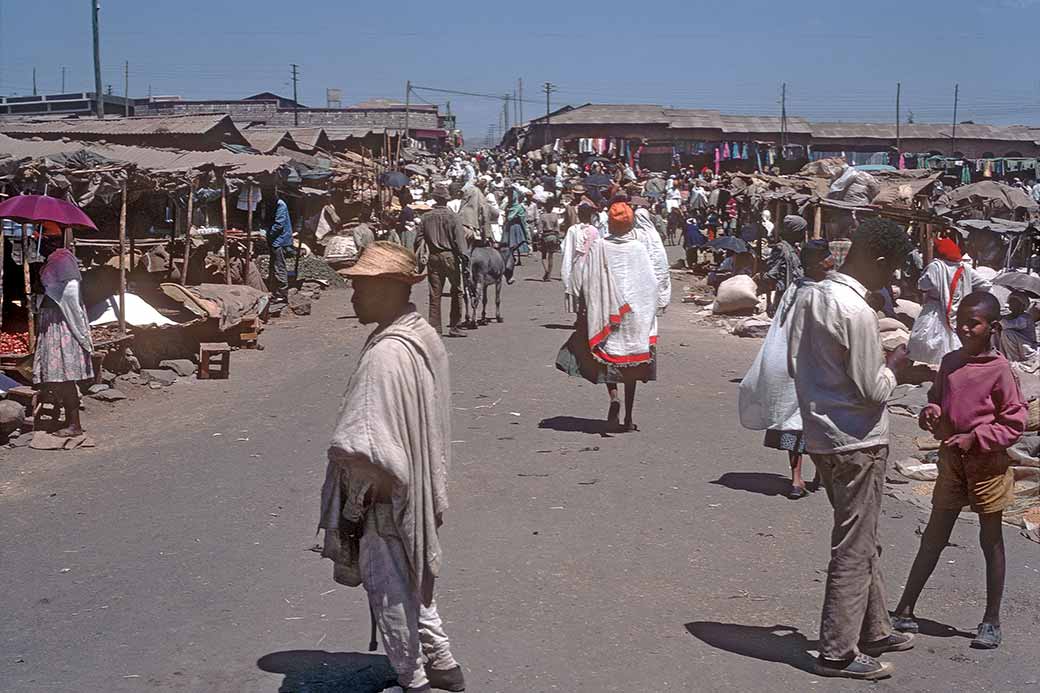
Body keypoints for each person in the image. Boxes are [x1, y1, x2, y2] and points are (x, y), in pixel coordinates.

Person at [321, 242, 465, 693]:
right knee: (413, 574)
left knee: (387, 585)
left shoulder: (387, 353)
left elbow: (363, 440)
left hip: (382, 490)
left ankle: (414, 676)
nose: (353, 298)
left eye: (360, 288)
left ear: (386, 289)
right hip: (418, 478)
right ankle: (443, 663)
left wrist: (359, 496)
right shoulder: (420, 334)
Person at [787, 218, 916, 681]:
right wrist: (896, 366)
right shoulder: (856, 311)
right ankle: (837, 651)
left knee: (861, 537)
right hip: (858, 440)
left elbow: (792, 361)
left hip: (821, 433)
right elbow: (872, 389)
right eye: (894, 268)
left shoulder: (810, 295)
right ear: (879, 262)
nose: (894, 279)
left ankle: (876, 627)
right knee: (853, 545)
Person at [892, 291, 1025, 651]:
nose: (966, 329)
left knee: (991, 540)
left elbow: (1014, 422)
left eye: (974, 323)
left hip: (987, 466)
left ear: (992, 327)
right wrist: (930, 412)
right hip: (952, 463)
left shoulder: (1000, 370)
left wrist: (977, 438)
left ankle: (991, 620)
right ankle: (905, 608)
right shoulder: (949, 362)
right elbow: (936, 398)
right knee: (934, 536)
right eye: (962, 321)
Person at [555, 202, 665, 432]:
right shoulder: (637, 248)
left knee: (609, 359)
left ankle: (613, 396)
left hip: (606, 314)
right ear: (630, 223)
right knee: (632, 367)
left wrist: (588, 304)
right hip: (634, 315)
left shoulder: (599, 246)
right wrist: (651, 307)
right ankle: (629, 417)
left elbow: (585, 278)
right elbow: (650, 283)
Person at [739, 240, 834, 499]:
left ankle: (798, 479)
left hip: (789, 364)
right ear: (818, 263)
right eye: (827, 257)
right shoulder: (822, 292)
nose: (832, 260)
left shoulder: (795, 289)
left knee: (795, 423)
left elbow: (780, 327)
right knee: (817, 423)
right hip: (813, 366)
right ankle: (814, 476)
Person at [33, 222, 93, 437]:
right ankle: (69, 421)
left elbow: (70, 296)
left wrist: (81, 332)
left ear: (50, 240)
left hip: (62, 323)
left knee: (65, 376)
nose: (35, 242)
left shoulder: (62, 259)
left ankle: (74, 424)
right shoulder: (52, 260)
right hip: (52, 320)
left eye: (39, 238)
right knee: (57, 376)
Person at [907, 236, 991, 366]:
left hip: (934, 308)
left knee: (925, 339)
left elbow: (923, 285)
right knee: (953, 340)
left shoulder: (936, 266)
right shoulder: (965, 268)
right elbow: (985, 284)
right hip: (958, 310)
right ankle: (949, 368)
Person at [415, 184, 469, 338]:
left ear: (434, 199)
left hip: (433, 258)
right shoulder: (453, 217)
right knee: (457, 291)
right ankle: (455, 326)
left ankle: (435, 328)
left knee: (434, 294)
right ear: (446, 199)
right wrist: (465, 260)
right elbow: (460, 242)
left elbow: (418, 240)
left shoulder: (425, 218)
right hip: (450, 257)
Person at [561, 203, 600, 313]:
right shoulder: (595, 231)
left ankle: (580, 316)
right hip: (592, 266)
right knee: (590, 292)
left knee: (577, 290)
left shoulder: (573, 230)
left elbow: (566, 249)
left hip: (577, 265)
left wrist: (567, 269)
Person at [764, 215, 807, 316]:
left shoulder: (793, 249)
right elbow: (771, 275)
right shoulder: (781, 249)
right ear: (794, 232)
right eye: (801, 231)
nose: (804, 235)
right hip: (785, 296)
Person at [998, 290, 1038, 369]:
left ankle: (1014, 360)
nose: (1010, 304)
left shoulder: (1025, 318)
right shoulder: (1011, 315)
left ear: (1021, 306)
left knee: (1007, 333)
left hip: (1026, 347)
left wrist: (998, 318)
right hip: (1018, 344)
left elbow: (1007, 324)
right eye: (1010, 301)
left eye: (1013, 302)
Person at [267, 195, 293, 303]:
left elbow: (279, 225)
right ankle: (276, 291)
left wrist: (268, 234)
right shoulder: (276, 204)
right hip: (277, 240)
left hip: (280, 240)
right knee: (275, 266)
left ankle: (282, 294)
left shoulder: (280, 205)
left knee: (279, 267)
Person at [503, 187, 530, 281]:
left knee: (516, 243)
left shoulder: (518, 207)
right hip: (510, 226)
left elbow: (513, 217)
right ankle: (513, 258)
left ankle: (517, 258)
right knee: (511, 244)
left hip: (516, 226)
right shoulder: (508, 205)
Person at [538, 197, 561, 281]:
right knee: (551, 256)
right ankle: (549, 275)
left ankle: (546, 271)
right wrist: (558, 238)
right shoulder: (555, 216)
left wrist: (539, 237)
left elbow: (540, 229)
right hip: (553, 236)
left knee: (544, 256)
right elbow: (557, 228)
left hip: (545, 236)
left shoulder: (542, 216)